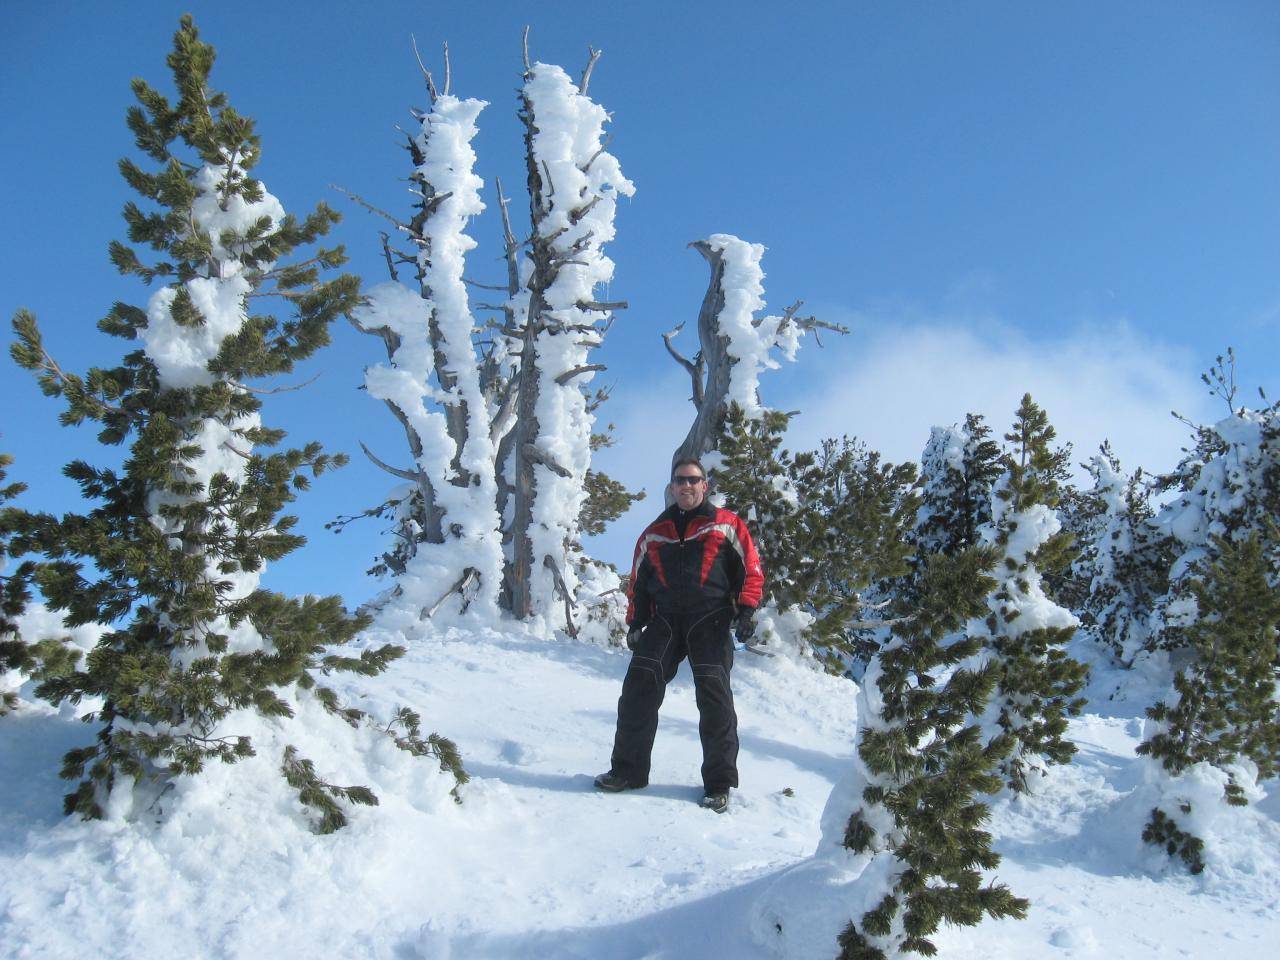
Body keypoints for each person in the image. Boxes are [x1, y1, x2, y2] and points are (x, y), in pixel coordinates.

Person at [594, 457, 764, 813]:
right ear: (671, 488)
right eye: (680, 481)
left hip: (711, 618)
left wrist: (747, 609)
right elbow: (639, 584)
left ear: (705, 486)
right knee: (638, 687)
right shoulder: (655, 532)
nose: (687, 486)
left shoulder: (726, 525)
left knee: (714, 695)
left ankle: (718, 784)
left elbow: (751, 568)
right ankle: (628, 771)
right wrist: (635, 623)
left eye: (693, 480)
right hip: (666, 620)